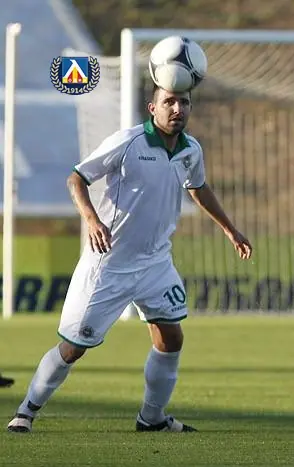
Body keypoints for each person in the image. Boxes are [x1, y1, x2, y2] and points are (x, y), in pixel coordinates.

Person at [7, 85, 252, 433]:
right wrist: (92, 220)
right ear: (153, 107)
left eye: (184, 102)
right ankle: (26, 412)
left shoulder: (191, 150)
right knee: (74, 347)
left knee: (171, 338)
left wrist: (230, 230)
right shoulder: (128, 142)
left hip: (155, 262)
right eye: (169, 102)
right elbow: (76, 178)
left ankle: (152, 418)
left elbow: (198, 187)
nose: (177, 109)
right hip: (109, 264)